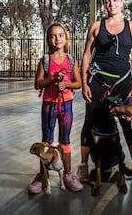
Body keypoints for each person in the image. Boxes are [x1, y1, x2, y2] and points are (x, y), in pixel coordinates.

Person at [77, 0, 132, 182]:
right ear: (104, 4)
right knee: (90, 121)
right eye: (108, 1)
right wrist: (84, 83)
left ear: (121, 2)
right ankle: (82, 165)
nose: (111, 4)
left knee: (128, 121)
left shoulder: (131, 27)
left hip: (123, 81)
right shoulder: (96, 27)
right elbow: (86, 55)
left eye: (115, 0)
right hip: (98, 81)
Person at [30, 23, 84, 192]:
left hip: (66, 105)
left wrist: (66, 83)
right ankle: (43, 178)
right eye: (53, 36)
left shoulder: (71, 60)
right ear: (48, 40)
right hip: (49, 105)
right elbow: (38, 84)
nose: (57, 38)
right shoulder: (45, 60)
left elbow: (79, 83)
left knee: (65, 140)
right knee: (46, 142)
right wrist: (52, 78)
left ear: (66, 38)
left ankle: (67, 175)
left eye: (60, 35)